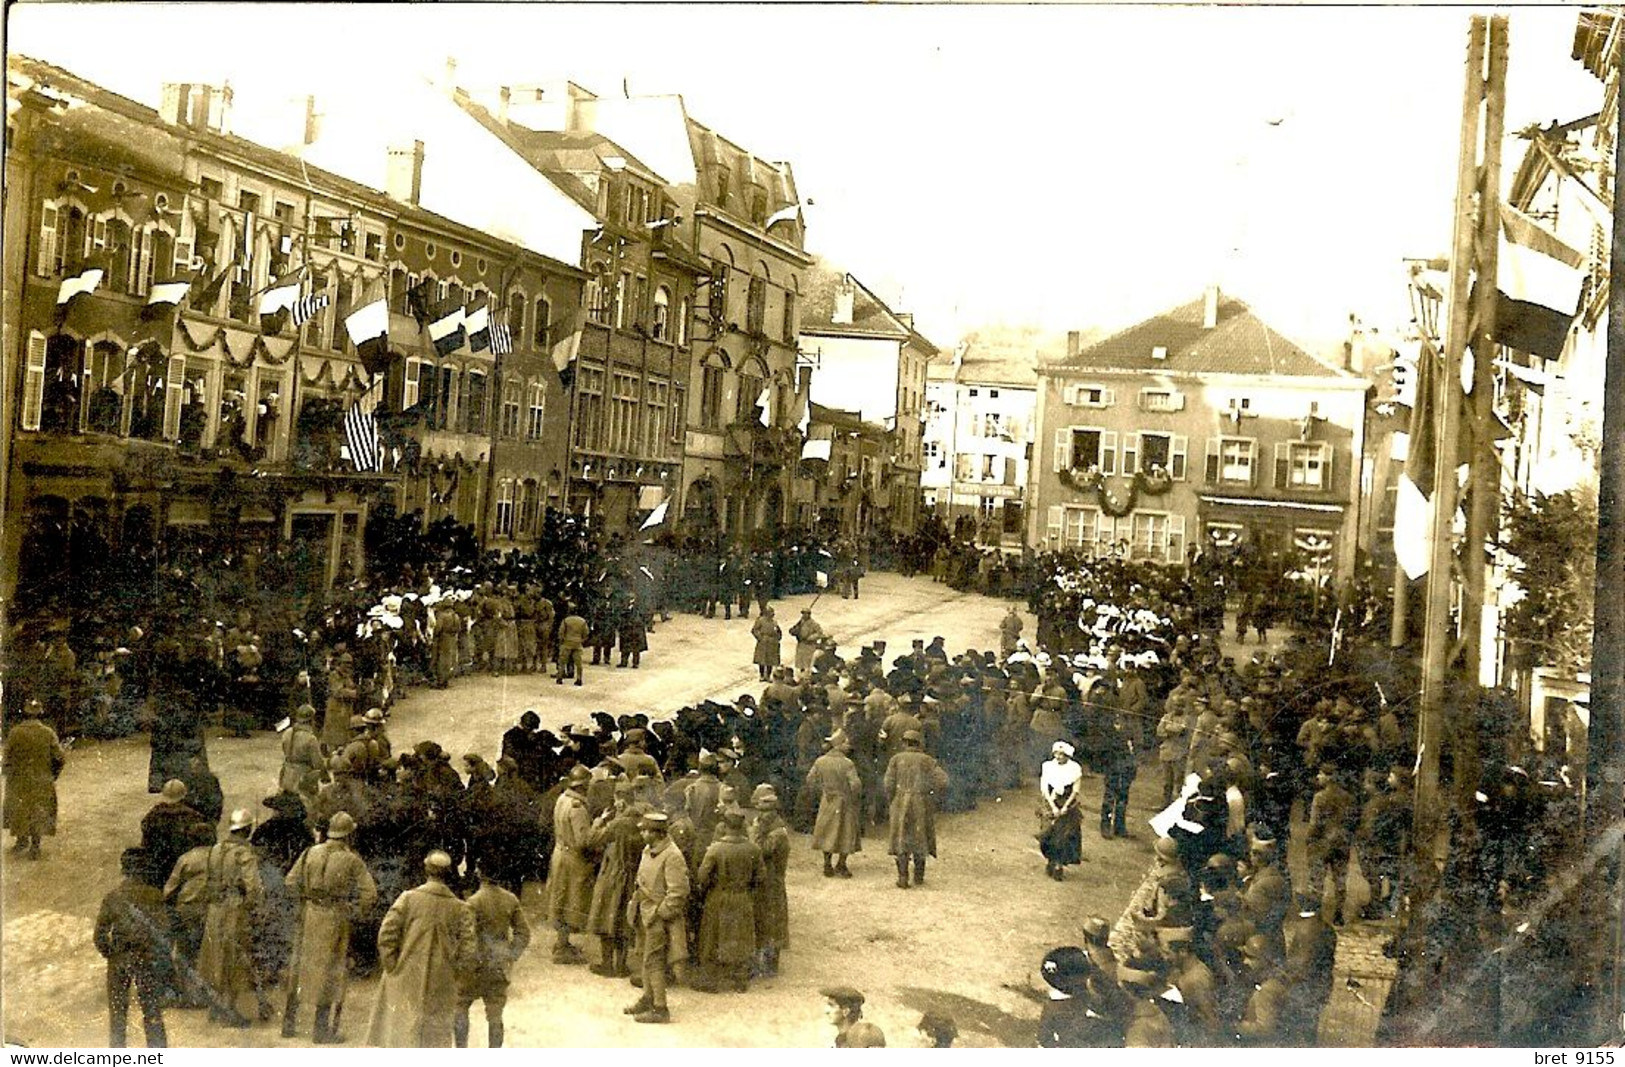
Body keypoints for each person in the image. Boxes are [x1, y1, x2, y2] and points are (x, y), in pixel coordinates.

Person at [282, 811, 378, 1043]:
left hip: (309, 914)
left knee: (300, 966)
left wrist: (306, 900)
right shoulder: (352, 859)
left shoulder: (309, 853)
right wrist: (356, 911)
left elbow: (290, 883)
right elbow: (370, 894)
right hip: (335, 916)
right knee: (330, 970)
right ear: (349, 835)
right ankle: (320, 1029)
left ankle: (288, 1023)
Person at [365, 850, 476, 1047]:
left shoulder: (408, 899)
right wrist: (454, 975)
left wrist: (393, 967)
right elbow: (469, 950)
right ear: (448, 873)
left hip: (406, 974)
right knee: (434, 1040)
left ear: (426, 870)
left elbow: (386, 935)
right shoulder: (460, 908)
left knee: (402, 1035)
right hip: (442, 979)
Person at [198, 809, 268, 1027]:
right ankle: (229, 1009)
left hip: (214, 908)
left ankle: (215, 1007)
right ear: (246, 830)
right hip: (234, 909)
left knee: (214, 955)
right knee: (234, 957)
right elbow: (254, 888)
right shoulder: (244, 854)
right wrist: (253, 909)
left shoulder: (216, 849)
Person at [94, 847, 169, 1048]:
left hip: (119, 957)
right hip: (145, 957)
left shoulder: (113, 896)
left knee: (118, 1014)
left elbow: (99, 934)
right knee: (152, 1010)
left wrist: (110, 953)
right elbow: (163, 930)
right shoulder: (154, 895)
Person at [454, 864, 531, 1048]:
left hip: (474, 964)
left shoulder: (472, 902)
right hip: (498, 965)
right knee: (495, 1016)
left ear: (480, 874)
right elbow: (524, 933)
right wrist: (511, 954)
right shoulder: (510, 899)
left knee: (461, 1007)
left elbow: (465, 936)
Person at [625, 811, 689, 1025]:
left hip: (658, 917)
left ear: (658, 833)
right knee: (645, 957)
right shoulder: (648, 850)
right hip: (644, 911)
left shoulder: (672, 855)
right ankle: (647, 997)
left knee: (655, 961)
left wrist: (659, 915)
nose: (642, 833)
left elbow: (678, 893)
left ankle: (660, 1008)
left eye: (646, 830)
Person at [693, 807, 765, 993]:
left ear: (724, 826)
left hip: (719, 896)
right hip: (742, 897)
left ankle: (710, 980)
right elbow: (761, 876)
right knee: (740, 935)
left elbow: (702, 876)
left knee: (713, 936)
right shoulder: (753, 849)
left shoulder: (716, 849)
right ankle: (740, 979)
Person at [586, 782, 644, 978]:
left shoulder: (617, 824)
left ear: (620, 801)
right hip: (632, 875)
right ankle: (621, 964)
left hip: (613, 875)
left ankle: (607, 963)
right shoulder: (641, 821)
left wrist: (600, 821)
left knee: (606, 918)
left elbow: (592, 840)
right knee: (624, 921)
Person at [884, 729, 948, 889]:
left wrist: (892, 799)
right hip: (921, 802)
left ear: (904, 743)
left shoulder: (896, 759)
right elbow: (943, 781)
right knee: (920, 836)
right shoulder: (927, 760)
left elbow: (888, 783)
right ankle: (919, 876)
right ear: (920, 744)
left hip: (900, 802)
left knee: (901, 837)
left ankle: (903, 877)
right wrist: (930, 793)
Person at [4, 699, 65, 860]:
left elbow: (6, 758)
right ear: (41, 713)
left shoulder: (15, 732)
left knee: (20, 809)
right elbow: (59, 757)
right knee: (39, 810)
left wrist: (9, 774)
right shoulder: (48, 733)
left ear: (24, 713)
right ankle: (35, 847)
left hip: (19, 780)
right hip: (42, 779)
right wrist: (53, 774)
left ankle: (21, 840)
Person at [548, 764, 595, 963]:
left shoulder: (562, 799)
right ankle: (563, 948)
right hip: (573, 859)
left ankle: (562, 942)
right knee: (570, 900)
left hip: (559, 852)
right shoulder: (578, 808)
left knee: (559, 897)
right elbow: (583, 840)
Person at [806, 730, 863, 879]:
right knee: (846, 831)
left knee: (827, 831)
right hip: (844, 801)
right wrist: (855, 797)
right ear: (839, 745)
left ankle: (827, 863)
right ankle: (842, 864)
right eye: (846, 743)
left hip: (827, 800)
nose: (848, 746)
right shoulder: (847, 763)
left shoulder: (820, 761)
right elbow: (855, 784)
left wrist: (823, 791)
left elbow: (810, 780)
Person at [747, 784, 790, 978]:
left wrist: (755, 829)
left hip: (771, 883)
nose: (761, 817)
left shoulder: (777, 833)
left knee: (772, 922)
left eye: (765, 814)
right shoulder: (773, 829)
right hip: (767, 881)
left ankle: (770, 964)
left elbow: (760, 850)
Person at [1038, 741, 1084, 880]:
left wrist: (1065, 807)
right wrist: (1052, 806)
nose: (1058, 757)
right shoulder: (1048, 767)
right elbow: (1045, 789)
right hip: (1050, 802)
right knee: (1047, 834)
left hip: (1067, 804)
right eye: (1056, 754)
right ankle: (1051, 860)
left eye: (1062, 755)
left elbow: (1075, 791)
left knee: (1063, 836)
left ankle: (1059, 864)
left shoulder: (1075, 769)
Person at [279, 704, 326, 795]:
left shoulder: (287, 733)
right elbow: (318, 763)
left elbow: (284, 750)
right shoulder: (310, 738)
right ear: (311, 720)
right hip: (302, 777)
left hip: (286, 774)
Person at [556, 606, 588, 687]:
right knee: (578, 663)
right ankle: (579, 678)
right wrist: (581, 640)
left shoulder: (566, 620)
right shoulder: (582, 621)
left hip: (567, 642)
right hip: (578, 643)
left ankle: (560, 677)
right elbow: (586, 633)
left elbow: (561, 631)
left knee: (562, 661)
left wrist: (562, 640)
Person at [789, 608, 825, 679]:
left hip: (810, 646)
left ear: (809, 614)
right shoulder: (800, 623)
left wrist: (810, 638)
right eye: (803, 613)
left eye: (806, 613)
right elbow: (793, 630)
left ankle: (808, 676)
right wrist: (795, 631)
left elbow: (820, 633)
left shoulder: (814, 624)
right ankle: (801, 675)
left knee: (808, 663)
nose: (804, 615)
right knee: (801, 662)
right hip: (801, 645)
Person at [751, 607, 782, 682]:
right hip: (763, 641)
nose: (772, 615)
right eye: (770, 613)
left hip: (772, 642)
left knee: (770, 660)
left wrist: (778, 638)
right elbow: (754, 630)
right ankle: (761, 675)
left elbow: (778, 631)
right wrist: (760, 637)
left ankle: (768, 675)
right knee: (761, 659)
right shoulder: (760, 620)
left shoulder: (774, 622)